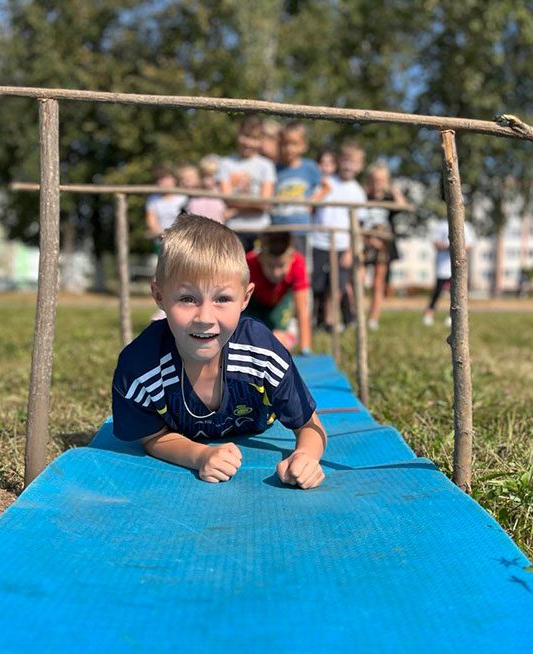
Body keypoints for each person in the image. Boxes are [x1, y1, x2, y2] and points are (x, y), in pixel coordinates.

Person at [111, 214, 326, 488]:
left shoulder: (262, 353)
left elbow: (309, 425)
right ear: (159, 296)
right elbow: (153, 436)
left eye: (222, 298)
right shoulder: (139, 369)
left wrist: (306, 456)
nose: (205, 317)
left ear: (245, 298)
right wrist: (199, 456)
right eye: (187, 298)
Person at [308, 140, 366, 330]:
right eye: (346, 160)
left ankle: (330, 322)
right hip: (319, 241)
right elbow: (312, 207)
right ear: (339, 161)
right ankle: (315, 320)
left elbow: (358, 226)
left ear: (360, 166)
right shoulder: (327, 183)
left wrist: (351, 250)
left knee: (336, 286)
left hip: (342, 244)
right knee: (317, 284)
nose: (349, 165)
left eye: (354, 162)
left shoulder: (358, 192)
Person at [245, 230, 313, 354]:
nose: (276, 273)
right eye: (270, 266)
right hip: (254, 304)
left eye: (281, 266)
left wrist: (306, 349)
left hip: (280, 304)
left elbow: (302, 309)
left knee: (278, 340)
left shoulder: (298, 263)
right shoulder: (249, 263)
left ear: (291, 259)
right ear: (260, 258)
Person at [218, 115, 276, 252]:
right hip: (234, 229)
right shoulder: (225, 163)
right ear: (238, 135)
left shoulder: (266, 165)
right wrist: (255, 203)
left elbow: (265, 203)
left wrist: (236, 209)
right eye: (246, 136)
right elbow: (227, 200)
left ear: (261, 140)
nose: (249, 143)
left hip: (261, 228)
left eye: (254, 138)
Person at [362, 161, 408, 330]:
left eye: (381, 180)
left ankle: (373, 317)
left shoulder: (389, 198)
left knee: (378, 282)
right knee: (358, 279)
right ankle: (356, 313)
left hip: (384, 245)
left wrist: (395, 191)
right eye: (374, 180)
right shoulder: (363, 197)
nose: (377, 184)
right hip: (365, 243)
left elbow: (403, 206)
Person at [270, 121, 321, 256]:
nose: (289, 148)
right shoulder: (274, 168)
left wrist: (311, 202)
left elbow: (325, 187)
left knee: (300, 262)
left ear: (303, 145)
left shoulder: (310, 167)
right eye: (285, 144)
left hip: (300, 227)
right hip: (278, 227)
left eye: (294, 144)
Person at [423, 215, 476, 326]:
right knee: (438, 292)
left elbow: (470, 245)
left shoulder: (466, 226)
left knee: (456, 293)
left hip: (458, 267)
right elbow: (435, 243)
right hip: (443, 266)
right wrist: (447, 247)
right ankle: (429, 314)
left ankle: (453, 316)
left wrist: (457, 248)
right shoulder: (441, 224)